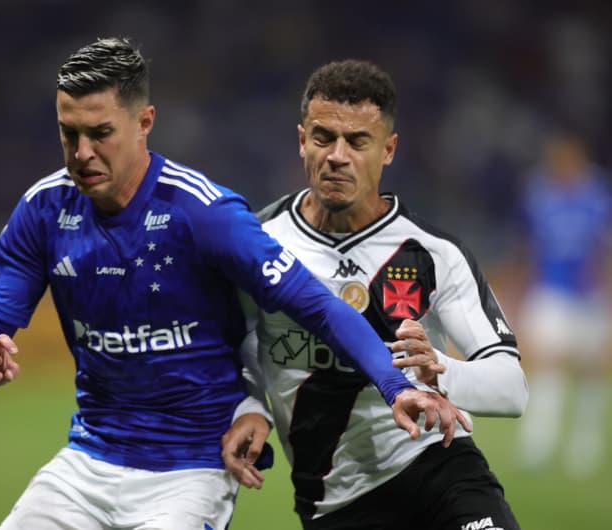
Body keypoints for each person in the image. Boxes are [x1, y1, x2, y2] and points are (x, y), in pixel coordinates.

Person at [0, 38, 469, 530]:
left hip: (191, 469)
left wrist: (396, 383)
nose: (82, 151)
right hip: (87, 460)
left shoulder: (203, 213)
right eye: (69, 133)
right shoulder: (45, 210)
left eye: (100, 132)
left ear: (144, 122)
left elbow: (317, 306)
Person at [222, 59, 528, 529]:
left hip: (440, 470)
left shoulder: (433, 253)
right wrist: (251, 406)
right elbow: (233, 347)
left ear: (388, 150)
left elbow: (512, 387)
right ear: (302, 140)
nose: (337, 155)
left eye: (357, 141)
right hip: (334, 501)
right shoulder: (258, 243)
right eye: (324, 137)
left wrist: (440, 372)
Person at [514, 129, 611, 479]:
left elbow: (605, 249)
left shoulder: (599, 194)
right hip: (551, 291)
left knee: (589, 370)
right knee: (547, 365)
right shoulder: (539, 192)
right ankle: (539, 442)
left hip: (589, 295)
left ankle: (585, 447)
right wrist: (523, 289)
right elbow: (529, 244)